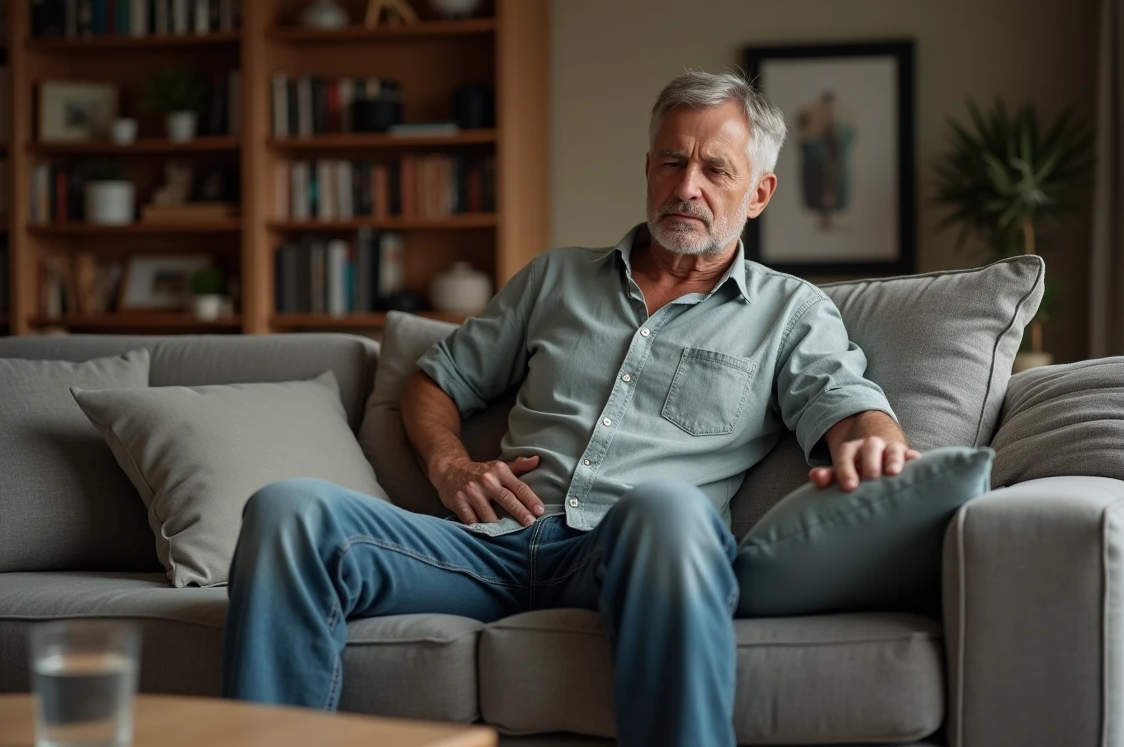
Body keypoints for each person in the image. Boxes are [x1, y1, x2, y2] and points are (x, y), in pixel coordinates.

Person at [221, 70, 920, 747]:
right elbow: (435, 381)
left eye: (715, 170)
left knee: (671, 508)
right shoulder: (554, 277)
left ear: (759, 192)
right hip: (485, 548)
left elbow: (844, 401)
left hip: (629, 552)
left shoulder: (791, 311)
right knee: (289, 511)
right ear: (648, 168)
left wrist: (876, 438)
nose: (686, 187)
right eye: (672, 163)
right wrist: (451, 465)